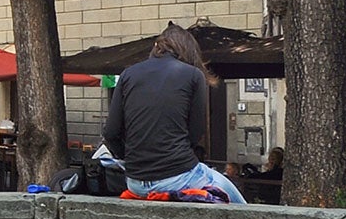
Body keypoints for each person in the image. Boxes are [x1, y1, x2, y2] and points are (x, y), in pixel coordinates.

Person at [100, 23, 246, 204]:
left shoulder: (128, 74)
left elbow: (111, 132)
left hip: (135, 181)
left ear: (157, 47)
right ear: (188, 50)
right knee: (237, 200)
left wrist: (129, 158)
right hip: (177, 175)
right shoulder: (193, 75)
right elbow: (196, 133)